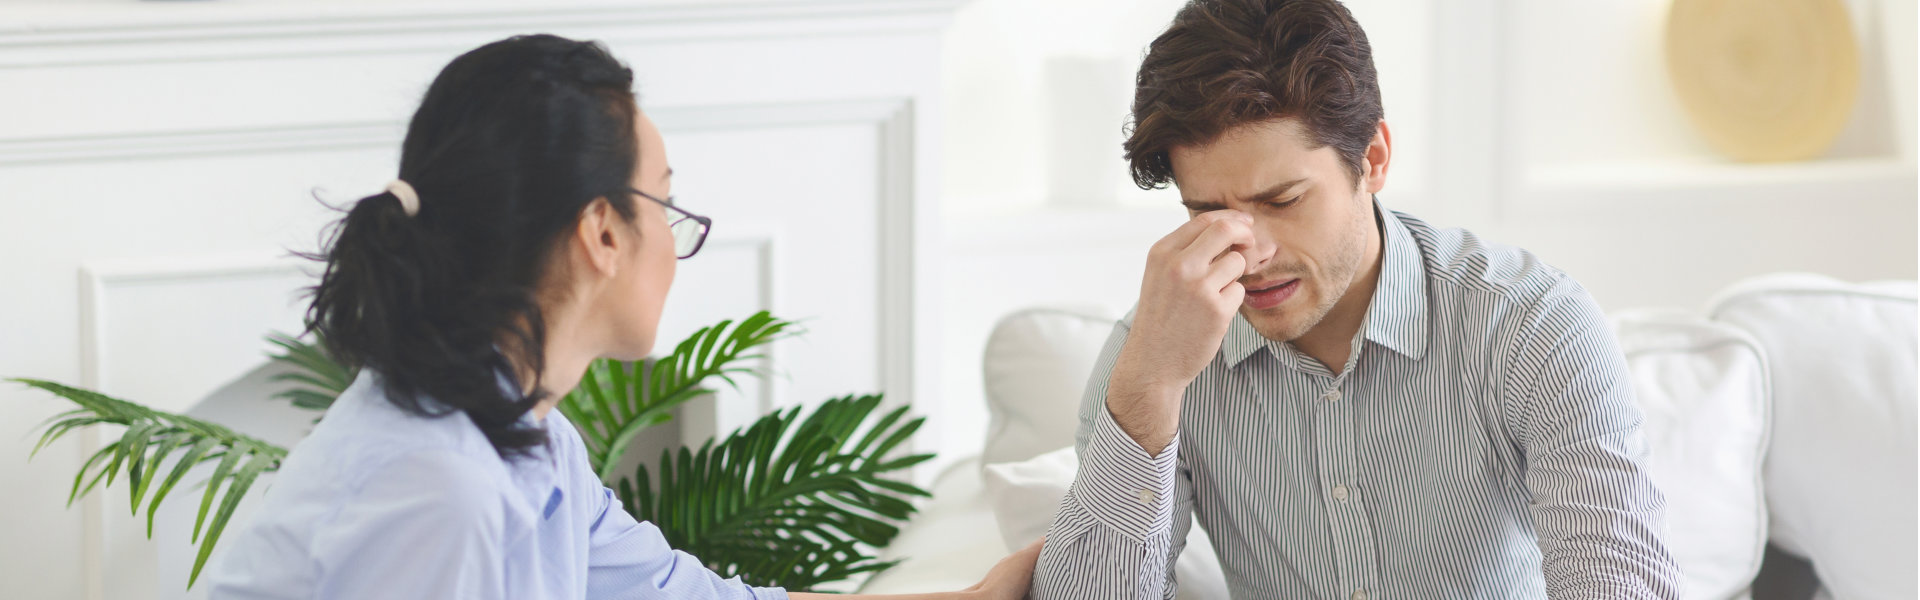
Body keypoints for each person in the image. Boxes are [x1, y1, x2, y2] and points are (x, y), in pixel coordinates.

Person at [206, 34, 1040, 599]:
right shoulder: (438, 489)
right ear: (602, 231)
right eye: (667, 203)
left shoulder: (529, 441)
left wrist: (975, 597)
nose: (677, 243)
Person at [1029, 1, 1682, 599]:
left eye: (1282, 201)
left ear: (1372, 158)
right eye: (1207, 212)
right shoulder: (1159, 353)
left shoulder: (1529, 325)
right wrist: (1148, 387)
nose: (1248, 253)